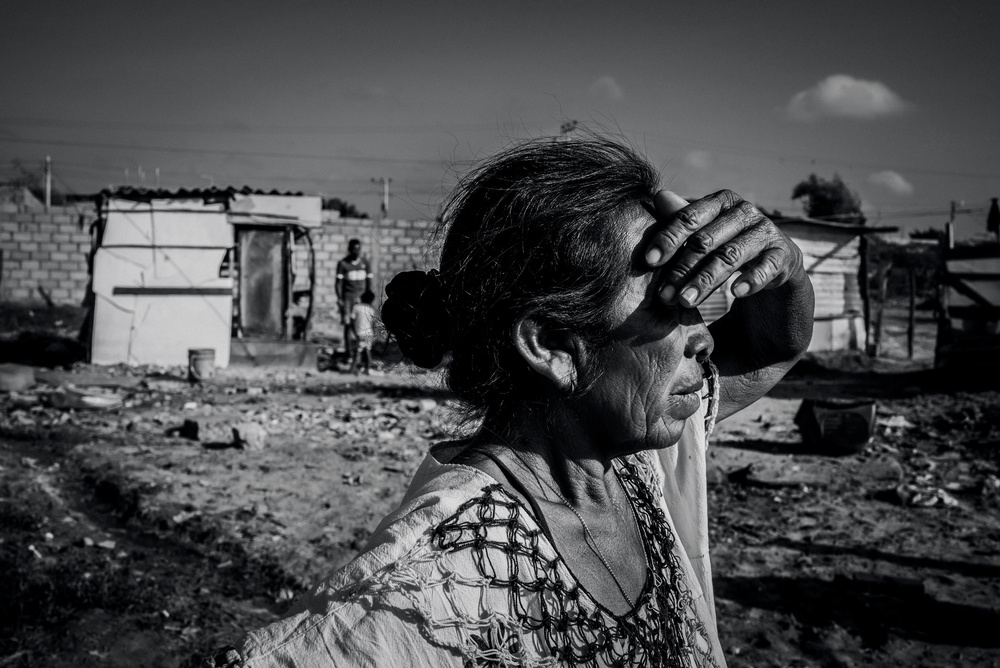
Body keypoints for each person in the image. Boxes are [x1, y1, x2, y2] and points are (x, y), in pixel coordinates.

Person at [206, 136, 814, 667]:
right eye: (668, 306)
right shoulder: (435, 584)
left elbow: (771, 346)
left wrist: (783, 268)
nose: (703, 333)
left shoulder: (638, 458)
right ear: (553, 346)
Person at [334, 238, 373, 365]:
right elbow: (338, 283)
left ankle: (363, 356)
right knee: (348, 326)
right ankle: (349, 354)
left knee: (363, 327)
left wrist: (369, 299)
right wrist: (340, 299)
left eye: (358, 249)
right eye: (354, 249)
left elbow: (369, 283)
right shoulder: (343, 264)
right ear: (349, 250)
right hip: (348, 299)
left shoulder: (365, 263)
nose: (356, 251)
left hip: (361, 300)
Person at [348, 289, 377, 375]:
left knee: (357, 352)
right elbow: (374, 323)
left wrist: (354, 332)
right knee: (367, 351)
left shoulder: (356, 307)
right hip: (369, 334)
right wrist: (374, 335)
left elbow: (352, 321)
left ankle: (353, 369)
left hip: (359, 333)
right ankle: (367, 369)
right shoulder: (371, 309)